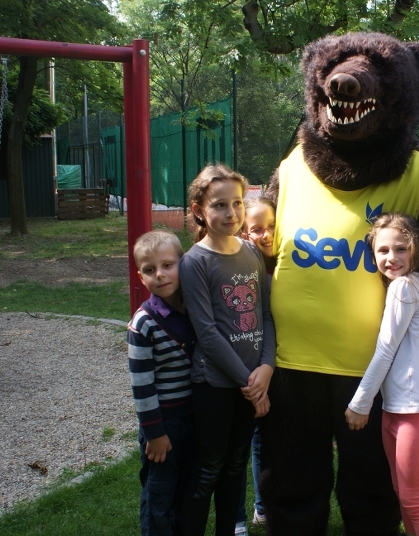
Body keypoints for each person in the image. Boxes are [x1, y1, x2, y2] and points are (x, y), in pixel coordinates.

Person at [179, 165, 276, 536]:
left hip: (252, 384)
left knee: (235, 466)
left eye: (237, 203)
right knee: (208, 470)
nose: (231, 212)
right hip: (216, 386)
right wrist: (250, 384)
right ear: (198, 210)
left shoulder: (251, 252)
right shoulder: (195, 262)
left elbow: (266, 314)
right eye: (219, 205)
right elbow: (207, 333)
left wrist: (266, 367)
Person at [345, 212, 419, 535]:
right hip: (397, 410)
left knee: (414, 499)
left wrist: (360, 403)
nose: (391, 257)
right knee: (403, 494)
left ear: (416, 249)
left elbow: (385, 350)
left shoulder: (405, 287)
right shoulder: (411, 284)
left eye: (401, 249)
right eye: (383, 250)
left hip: (418, 412)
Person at [128, 230, 197, 536]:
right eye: (150, 269)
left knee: (187, 493)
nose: (160, 274)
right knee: (159, 496)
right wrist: (154, 434)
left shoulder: (196, 310)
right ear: (140, 276)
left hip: (194, 417)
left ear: (184, 264)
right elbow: (142, 386)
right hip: (163, 423)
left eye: (168, 265)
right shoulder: (143, 323)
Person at [234, 196, 276, 535]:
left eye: (272, 226)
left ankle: (263, 508)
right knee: (238, 446)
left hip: (273, 366)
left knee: (264, 440)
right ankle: (237, 519)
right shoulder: (241, 267)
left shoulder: (286, 262)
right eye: (257, 229)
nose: (267, 234)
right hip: (242, 368)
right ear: (244, 233)